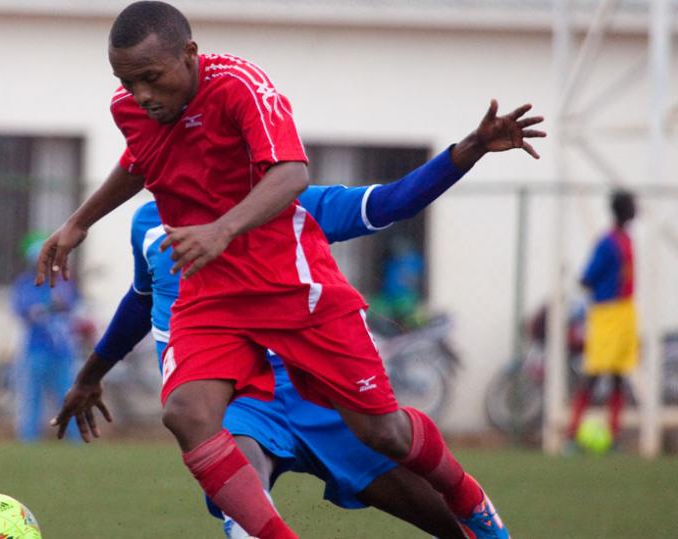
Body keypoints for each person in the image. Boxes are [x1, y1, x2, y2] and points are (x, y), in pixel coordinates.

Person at [37, 3, 545, 537]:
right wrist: (80, 223)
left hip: (294, 304)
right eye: (127, 81)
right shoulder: (148, 206)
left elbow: (321, 180)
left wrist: (469, 149)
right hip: (225, 340)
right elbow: (139, 295)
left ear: (190, 55)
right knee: (189, 415)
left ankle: (473, 508)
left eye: (150, 79)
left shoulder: (258, 126)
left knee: (387, 435)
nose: (140, 95)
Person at [61, 150, 474, 538]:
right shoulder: (147, 225)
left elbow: (391, 201)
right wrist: (89, 376)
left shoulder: (288, 206)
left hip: (313, 389)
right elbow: (142, 299)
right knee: (239, 484)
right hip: (239, 394)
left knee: (437, 512)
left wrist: (468, 150)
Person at [565, 190, 637, 449]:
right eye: (632, 205)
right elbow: (586, 277)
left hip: (625, 313)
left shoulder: (626, 239)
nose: (636, 209)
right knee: (594, 373)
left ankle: (614, 435)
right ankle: (572, 435)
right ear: (622, 210)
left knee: (619, 374)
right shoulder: (607, 242)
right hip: (606, 313)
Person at [11, 232, 82, 442]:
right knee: (31, 396)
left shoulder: (63, 281)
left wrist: (56, 305)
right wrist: (46, 307)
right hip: (35, 349)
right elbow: (22, 309)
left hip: (62, 349)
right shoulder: (24, 283)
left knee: (68, 395)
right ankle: (29, 438)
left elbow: (71, 303)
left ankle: (76, 439)